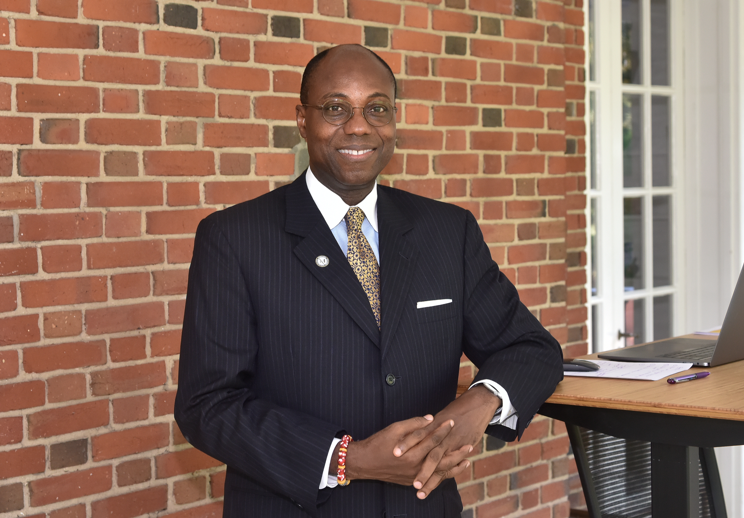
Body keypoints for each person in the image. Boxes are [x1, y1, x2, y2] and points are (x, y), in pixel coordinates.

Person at [175, 44, 563, 518]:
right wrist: (347, 460)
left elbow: (530, 347)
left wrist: (484, 400)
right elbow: (207, 405)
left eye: (376, 108)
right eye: (336, 108)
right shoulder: (235, 238)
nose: (358, 126)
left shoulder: (447, 231)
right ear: (302, 120)